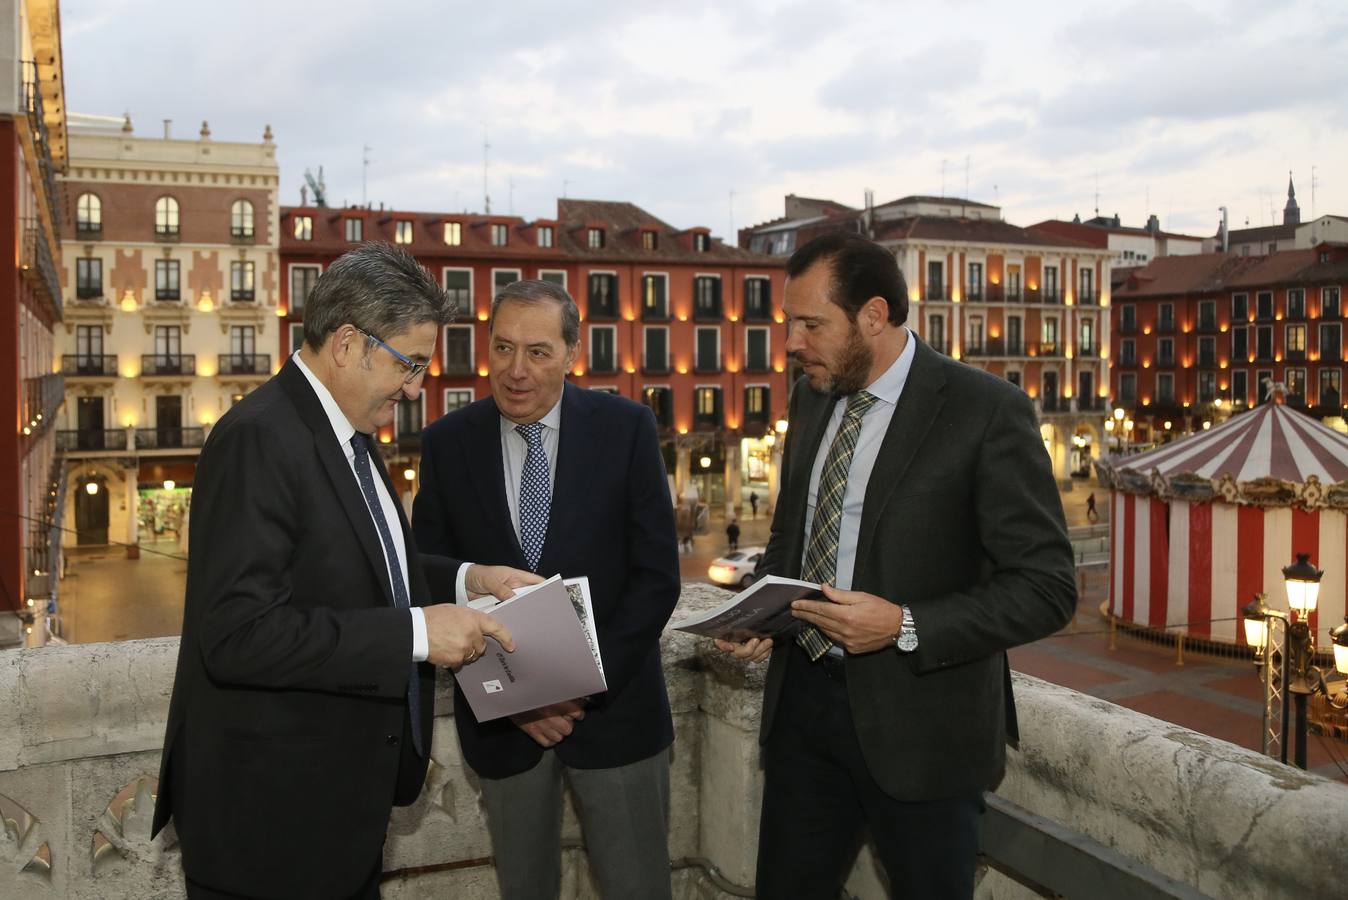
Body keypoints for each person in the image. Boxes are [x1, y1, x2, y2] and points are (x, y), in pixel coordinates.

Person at [152, 243, 539, 900]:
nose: (417, 387)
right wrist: (418, 635)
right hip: (271, 829)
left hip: (335, 814)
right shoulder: (259, 438)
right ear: (347, 344)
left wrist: (472, 580)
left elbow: (374, 565)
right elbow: (238, 635)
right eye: (409, 364)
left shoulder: (349, 435)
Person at [715, 232, 1076, 899]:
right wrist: (762, 610)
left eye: (811, 324)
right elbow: (794, 535)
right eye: (790, 324)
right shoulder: (810, 397)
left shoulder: (987, 412)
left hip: (926, 732)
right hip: (802, 717)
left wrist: (905, 624)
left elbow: (1047, 587)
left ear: (874, 316)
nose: (792, 343)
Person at [414, 279, 681, 900]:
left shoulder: (628, 428)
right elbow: (428, 572)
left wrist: (572, 690)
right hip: (506, 727)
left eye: (537, 352)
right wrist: (520, 699)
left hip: (617, 716)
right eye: (502, 348)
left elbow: (656, 578)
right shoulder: (448, 443)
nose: (515, 371)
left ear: (571, 352)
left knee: (637, 888)